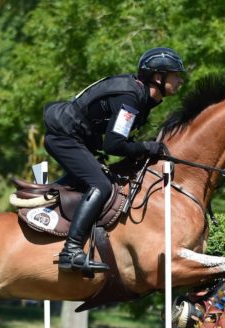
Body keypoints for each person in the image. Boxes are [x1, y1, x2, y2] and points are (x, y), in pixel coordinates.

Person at [43, 46, 186, 272]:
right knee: (100, 184)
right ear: (158, 77)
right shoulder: (131, 98)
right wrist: (149, 146)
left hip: (77, 137)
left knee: (106, 178)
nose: (180, 81)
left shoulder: (139, 96)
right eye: (176, 75)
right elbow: (114, 144)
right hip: (65, 138)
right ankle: (70, 251)